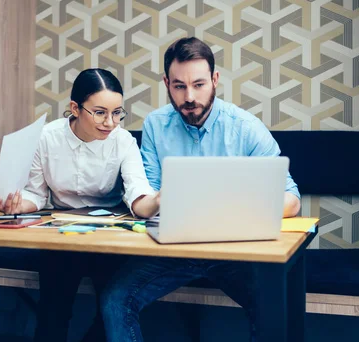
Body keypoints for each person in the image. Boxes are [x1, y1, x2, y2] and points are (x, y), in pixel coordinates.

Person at [99, 37, 301, 342]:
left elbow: (292, 199)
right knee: (114, 298)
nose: (189, 96)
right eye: (179, 86)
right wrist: (157, 199)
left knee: (272, 305)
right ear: (166, 83)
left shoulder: (244, 127)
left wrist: (235, 207)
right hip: (172, 249)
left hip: (235, 253)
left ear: (215, 80)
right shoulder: (156, 125)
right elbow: (150, 193)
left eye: (199, 84)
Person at [0, 68, 160, 341]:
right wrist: (17, 205)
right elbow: (36, 195)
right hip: (63, 234)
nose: (110, 122)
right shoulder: (46, 138)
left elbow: (138, 198)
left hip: (109, 236)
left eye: (117, 112)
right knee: (52, 311)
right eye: (100, 112)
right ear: (75, 108)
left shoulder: (123, 141)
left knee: (113, 309)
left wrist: (158, 199)